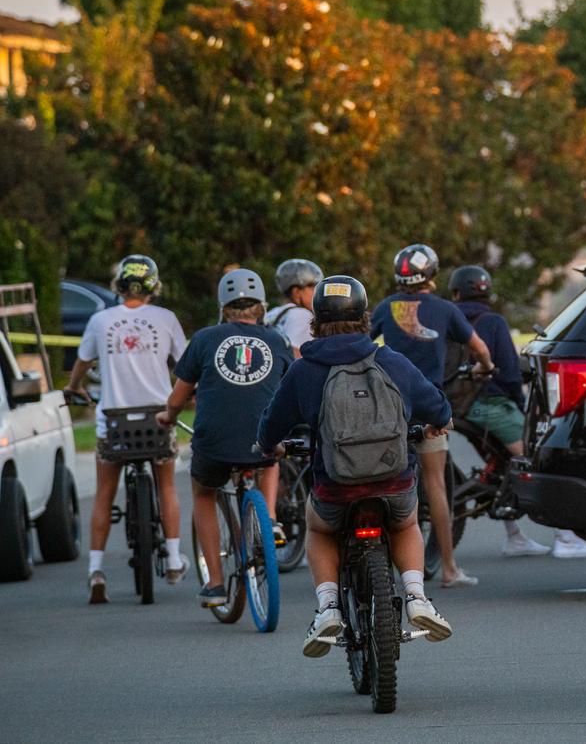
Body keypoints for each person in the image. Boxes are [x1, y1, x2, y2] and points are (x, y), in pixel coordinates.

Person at [257, 275, 456, 656]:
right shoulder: (389, 360)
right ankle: (416, 597)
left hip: (335, 485)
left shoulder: (304, 370)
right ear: (364, 316)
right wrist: (435, 422)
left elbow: (272, 423)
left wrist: (270, 446)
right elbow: (437, 405)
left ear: (316, 319)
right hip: (393, 480)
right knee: (406, 522)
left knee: (320, 529)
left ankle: (328, 607)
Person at [156, 269, 292, 608]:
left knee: (204, 492)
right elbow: (290, 381)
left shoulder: (204, 339)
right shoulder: (276, 339)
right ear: (261, 306)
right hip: (261, 436)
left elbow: (178, 396)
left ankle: (215, 584)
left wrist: (168, 417)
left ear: (223, 307)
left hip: (215, 441)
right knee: (270, 455)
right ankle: (271, 520)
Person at [448, 265, 586, 559]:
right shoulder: (492, 321)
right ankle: (566, 537)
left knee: (503, 463)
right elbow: (508, 372)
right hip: (491, 405)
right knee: (535, 459)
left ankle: (515, 537)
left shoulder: (448, 320)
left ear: (456, 292)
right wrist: (520, 406)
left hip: (458, 406)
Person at [64, 254, 189, 604]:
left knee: (105, 493)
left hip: (113, 421)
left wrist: (74, 387)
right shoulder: (165, 319)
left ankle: (96, 570)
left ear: (118, 285)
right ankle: (176, 559)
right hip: (157, 418)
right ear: (154, 286)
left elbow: (82, 363)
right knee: (166, 485)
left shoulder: (101, 320)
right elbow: (186, 366)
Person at [370, 244, 495, 587]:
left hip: (391, 408)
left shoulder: (385, 307)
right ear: (433, 276)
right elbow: (480, 348)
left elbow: (364, 344)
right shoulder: (444, 309)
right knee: (436, 485)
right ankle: (450, 570)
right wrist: (486, 367)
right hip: (429, 409)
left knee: (391, 479)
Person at [265, 258, 323, 358]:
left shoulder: (272, 313)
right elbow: (295, 356)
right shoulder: (301, 314)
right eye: (311, 286)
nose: (316, 292)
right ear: (296, 291)